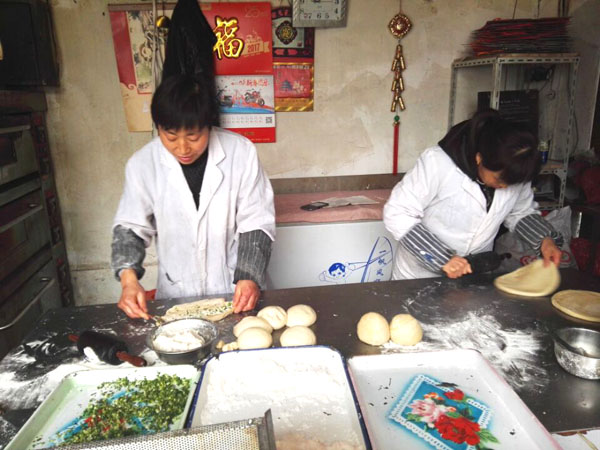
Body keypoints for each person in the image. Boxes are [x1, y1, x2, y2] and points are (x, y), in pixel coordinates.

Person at [112, 74, 275, 319]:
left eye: (193, 137)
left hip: (233, 290)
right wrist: (129, 281)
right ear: (158, 127)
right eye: (170, 136)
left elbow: (256, 221)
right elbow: (130, 228)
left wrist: (249, 276)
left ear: (208, 125)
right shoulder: (143, 164)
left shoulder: (240, 153)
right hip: (176, 293)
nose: (182, 148)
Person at [383, 109, 563, 280]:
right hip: (420, 276)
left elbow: (519, 212)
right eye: (499, 180)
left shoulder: (516, 171)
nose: (504, 187)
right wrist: (441, 257)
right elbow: (398, 213)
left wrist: (544, 240)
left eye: (511, 184)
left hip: (474, 273)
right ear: (479, 158)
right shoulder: (438, 163)